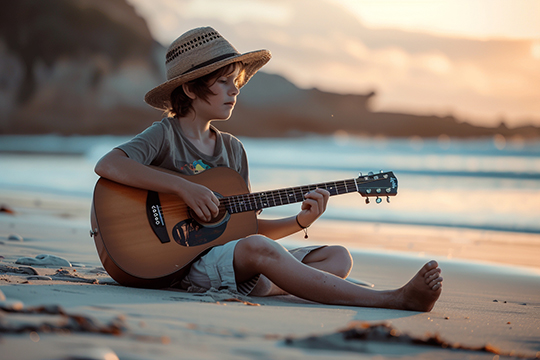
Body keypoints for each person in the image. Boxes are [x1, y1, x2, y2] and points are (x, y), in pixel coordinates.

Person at [95, 26, 443, 311]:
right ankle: (393, 299)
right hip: (175, 264)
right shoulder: (164, 134)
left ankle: (272, 283)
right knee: (259, 251)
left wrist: (299, 222)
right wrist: (184, 188)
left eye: (237, 82)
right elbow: (108, 164)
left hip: (228, 257)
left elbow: (241, 227)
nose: (235, 90)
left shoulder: (233, 150)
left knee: (337, 258)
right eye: (223, 82)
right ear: (190, 87)